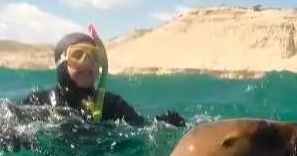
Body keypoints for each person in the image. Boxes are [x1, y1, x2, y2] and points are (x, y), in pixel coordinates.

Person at [17, 27, 186, 128]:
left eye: (94, 57)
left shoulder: (112, 105)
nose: (88, 63)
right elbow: (1, 118)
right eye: (78, 55)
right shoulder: (40, 101)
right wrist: (3, 130)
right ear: (61, 63)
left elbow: (142, 128)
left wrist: (162, 123)